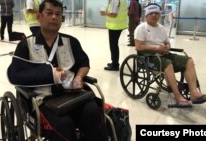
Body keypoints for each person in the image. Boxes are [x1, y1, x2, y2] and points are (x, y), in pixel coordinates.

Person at [7, 0, 108, 140]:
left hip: (73, 96)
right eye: (49, 13)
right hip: (43, 101)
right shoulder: (26, 45)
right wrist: (51, 75)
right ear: (39, 16)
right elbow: (15, 75)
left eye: (58, 14)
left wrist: (79, 77)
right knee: (63, 125)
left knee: (93, 112)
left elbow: (84, 63)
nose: (54, 17)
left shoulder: (71, 42)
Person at [134, 3, 206, 108]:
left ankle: (194, 93)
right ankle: (178, 96)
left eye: (156, 13)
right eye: (151, 13)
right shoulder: (141, 28)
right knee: (168, 64)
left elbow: (167, 42)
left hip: (164, 54)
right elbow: (139, 47)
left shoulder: (161, 28)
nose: (154, 15)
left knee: (188, 60)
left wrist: (167, 46)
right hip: (149, 57)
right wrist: (157, 48)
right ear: (146, 15)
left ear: (159, 15)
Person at [101, 0, 128, 71]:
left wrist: (104, 13)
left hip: (115, 26)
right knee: (114, 45)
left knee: (113, 46)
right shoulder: (122, 1)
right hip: (119, 25)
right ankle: (114, 62)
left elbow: (114, 14)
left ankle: (115, 65)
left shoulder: (115, 0)